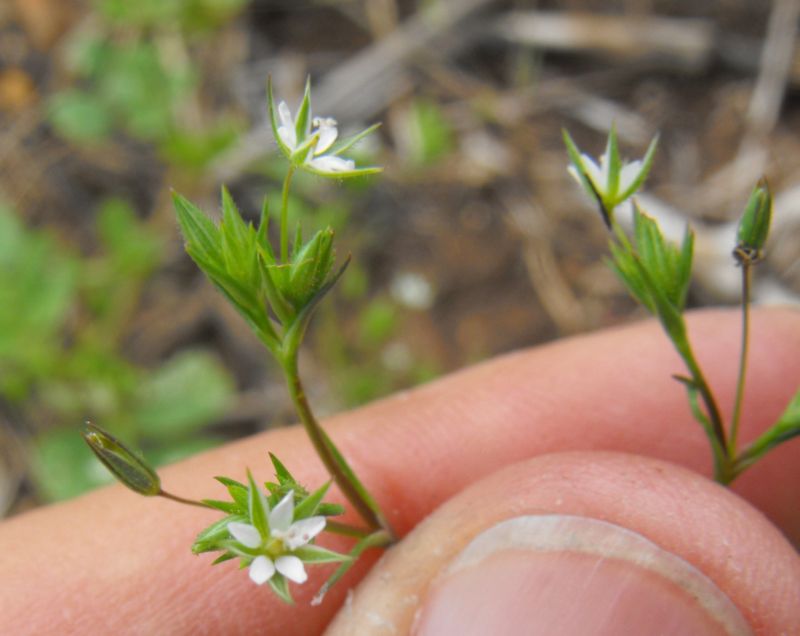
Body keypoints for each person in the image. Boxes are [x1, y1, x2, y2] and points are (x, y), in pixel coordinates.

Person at [1, 308, 798, 634]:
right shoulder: (277, 542)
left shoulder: (291, 538)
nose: (275, 546)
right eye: (271, 545)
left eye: (275, 543)